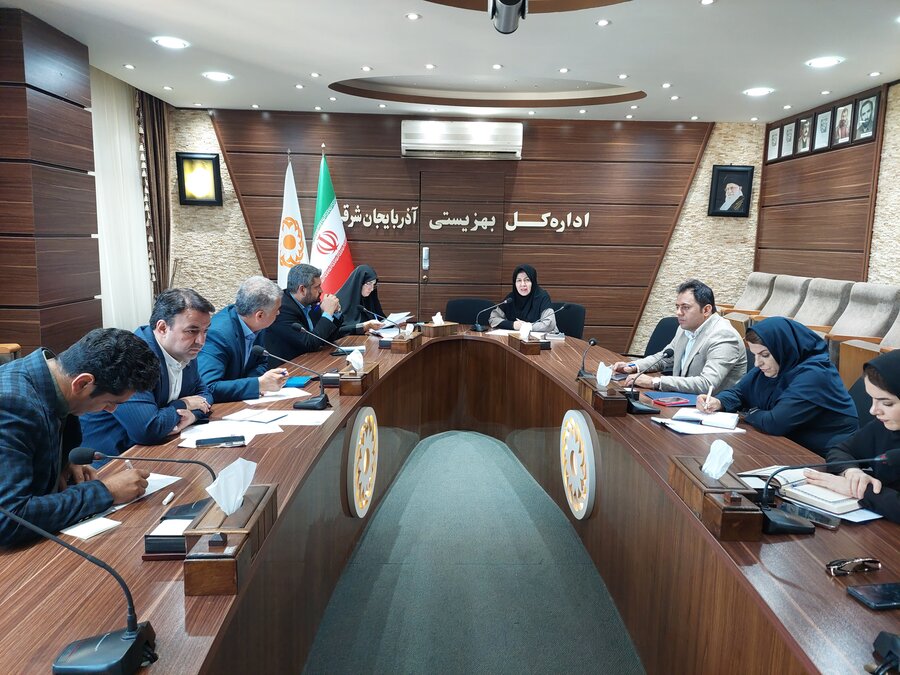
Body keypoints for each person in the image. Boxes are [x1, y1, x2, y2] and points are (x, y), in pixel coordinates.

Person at [0, 329, 159, 546]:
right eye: (110, 402)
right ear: (83, 383)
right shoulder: (11, 404)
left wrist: (62, 462)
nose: (111, 410)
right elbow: (10, 519)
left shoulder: (53, 380)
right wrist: (106, 491)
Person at [80, 288, 215, 457]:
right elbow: (147, 429)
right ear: (162, 328)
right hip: (112, 460)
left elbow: (205, 395)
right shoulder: (132, 358)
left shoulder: (185, 351)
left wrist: (193, 416)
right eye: (192, 331)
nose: (201, 341)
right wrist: (184, 404)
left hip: (158, 448)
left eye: (205, 331)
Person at [697, 317, 858, 456]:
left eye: (764, 355)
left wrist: (748, 413)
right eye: (755, 355)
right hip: (786, 446)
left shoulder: (816, 375)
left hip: (826, 457)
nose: (757, 363)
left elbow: (775, 422)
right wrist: (718, 402)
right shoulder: (777, 364)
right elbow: (739, 392)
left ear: (783, 348)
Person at [804, 351, 900, 522]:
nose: (873, 410)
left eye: (887, 403)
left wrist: (858, 490)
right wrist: (852, 472)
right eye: (872, 399)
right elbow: (840, 450)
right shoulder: (883, 426)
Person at [613, 279, 746, 394]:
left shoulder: (724, 336)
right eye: (677, 307)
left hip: (711, 407)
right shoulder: (685, 328)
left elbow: (707, 384)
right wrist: (632, 366)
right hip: (683, 398)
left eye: (685, 307)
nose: (678, 312)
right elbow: (665, 358)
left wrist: (655, 382)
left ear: (706, 310)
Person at [198, 275, 288, 402]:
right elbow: (209, 388)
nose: (278, 313)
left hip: (242, 401)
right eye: (277, 309)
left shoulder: (257, 324)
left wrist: (258, 382)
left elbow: (260, 362)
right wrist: (258, 384)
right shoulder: (218, 335)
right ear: (260, 315)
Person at [264, 263, 344, 368]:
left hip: (310, 362)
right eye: (317, 287)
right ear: (302, 289)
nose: (321, 291)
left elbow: (325, 339)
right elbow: (309, 343)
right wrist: (328, 313)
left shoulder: (310, 302)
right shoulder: (282, 309)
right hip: (288, 369)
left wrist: (334, 312)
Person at [489, 264, 557, 333]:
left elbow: (550, 324)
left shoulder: (542, 297)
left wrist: (526, 326)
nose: (523, 284)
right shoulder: (510, 299)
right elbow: (493, 319)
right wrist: (513, 325)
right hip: (515, 338)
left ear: (533, 282)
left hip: (541, 338)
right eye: (519, 280)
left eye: (527, 280)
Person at [334, 265, 385, 337]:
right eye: (369, 283)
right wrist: (365, 326)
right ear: (359, 282)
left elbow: (380, 319)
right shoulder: (337, 301)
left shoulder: (369, 299)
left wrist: (393, 324)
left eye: (373, 284)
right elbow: (338, 331)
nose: (371, 289)